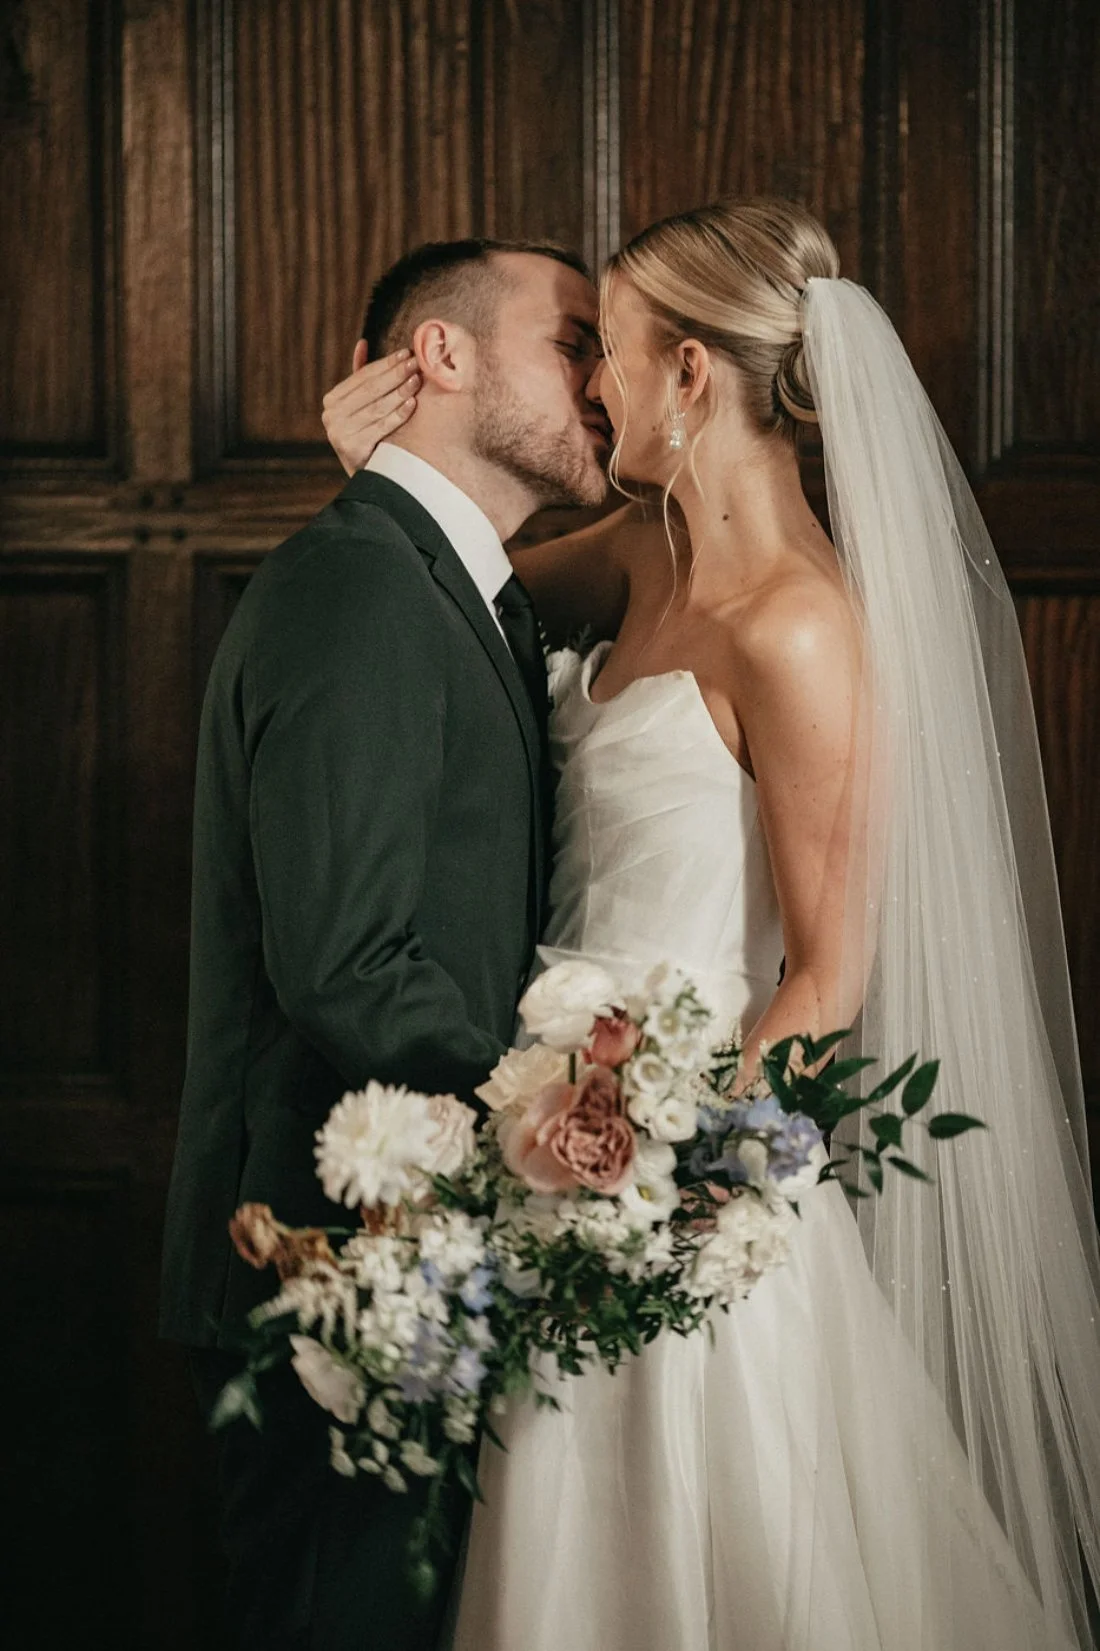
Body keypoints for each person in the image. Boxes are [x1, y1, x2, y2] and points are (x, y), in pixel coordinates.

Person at [322, 199, 1100, 1649]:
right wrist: (382, 477)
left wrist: (669, 1190)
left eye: (604, 350)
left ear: (688, 371)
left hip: (683, 1181)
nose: (590, 387)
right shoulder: (638, 550)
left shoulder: (802, 628)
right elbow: (452, 601)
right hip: (548, 1134)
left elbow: (827, 976)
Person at [160, 235, 609, 1651]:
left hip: (425, 1258)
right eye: (575, 342)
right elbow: (350, 964)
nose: (604, 382)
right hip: (323, 1263)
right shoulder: (362, 585)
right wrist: (573, 1117)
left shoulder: (445, 578)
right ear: (443, 354)